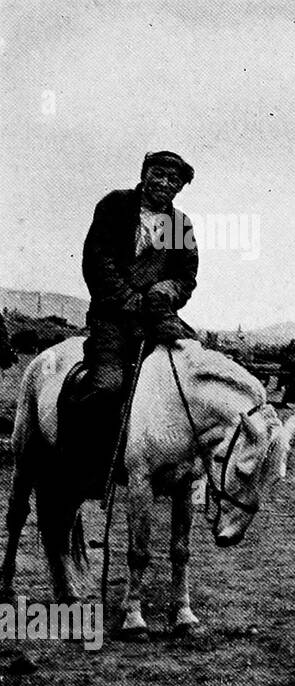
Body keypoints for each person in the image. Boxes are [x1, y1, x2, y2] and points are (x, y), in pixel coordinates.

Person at [68, 150, 199, 484]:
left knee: (189, 378)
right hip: (112, 318)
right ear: (145, 173)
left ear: (180, 187)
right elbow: (98, 261)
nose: (165, 183)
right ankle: (87, 463)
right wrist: (130, 299)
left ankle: (185, 472)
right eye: (159, 174)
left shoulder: (177, 224)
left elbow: (186, 277)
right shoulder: (116, 206)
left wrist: (165, 291)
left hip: (157, 318)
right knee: (108, 387)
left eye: (174, 179)